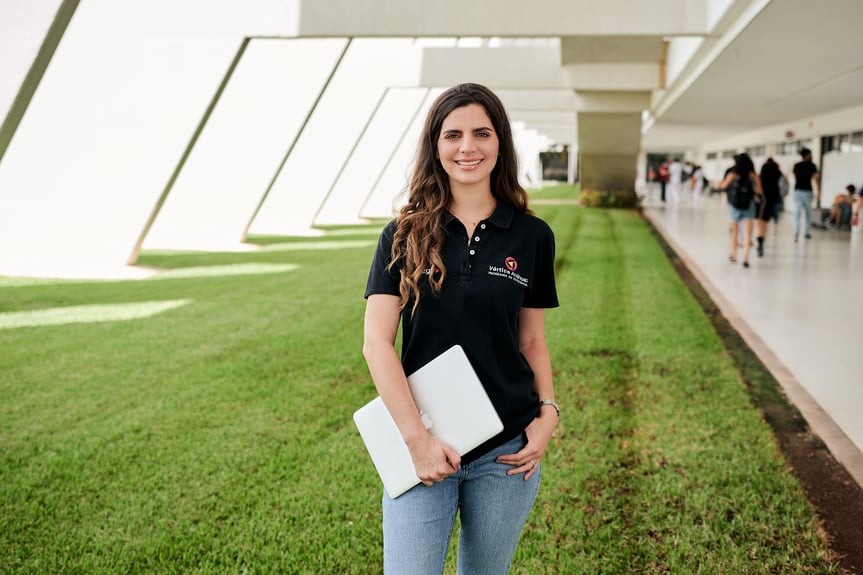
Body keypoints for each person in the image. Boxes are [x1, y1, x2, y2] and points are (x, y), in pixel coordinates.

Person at [362, 83, 560, 574]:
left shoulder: (533, 236)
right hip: (424, 439)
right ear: (436, 146)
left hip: (506, 451)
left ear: (500, 144)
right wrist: (417, 441)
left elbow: (531, 339)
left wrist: (548, 412)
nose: (467, 147)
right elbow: (376, 344)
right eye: (453, 135)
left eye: (481, 134)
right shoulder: (403, 233)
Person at [720, 153, 763, 268]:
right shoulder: (752, 175)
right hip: (749, 205)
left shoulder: (733, 174)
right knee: (748, 234)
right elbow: (759, 191)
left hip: (735, 206)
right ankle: (745, 259)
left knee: (734, 233)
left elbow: (723, 186)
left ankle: (734, 256)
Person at [791, 147, 820, 241]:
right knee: (808, 213)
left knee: (797, 213)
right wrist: (818, 192)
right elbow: (816, 179)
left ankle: (796, 233)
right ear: (807, 155)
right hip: (807, 192)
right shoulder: (812, 166)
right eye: (810, 154)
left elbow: (795, 177)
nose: (811, 156)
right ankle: (806, 233)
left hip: (797, 191)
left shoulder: (796, 165)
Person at [756, 158, 783, 255]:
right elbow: (782, 183)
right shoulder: (777, 171)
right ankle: (774, 229)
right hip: (775, 197)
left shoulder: (763, 170)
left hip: (764, 199)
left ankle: (761, 238)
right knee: (775, 216)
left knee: (762, 220)